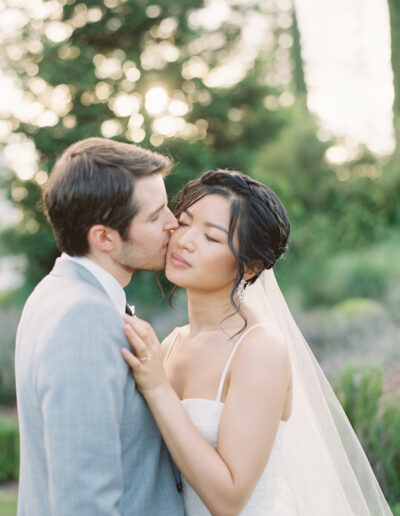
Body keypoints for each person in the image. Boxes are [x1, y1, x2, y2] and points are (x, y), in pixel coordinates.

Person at [122, 169, 393, 515]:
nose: (186, 240)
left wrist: (158, 388)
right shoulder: (171, 343)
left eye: (212, 238)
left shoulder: (259, 349)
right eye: (185, 222)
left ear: (249, 267)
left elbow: (229, 499)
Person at [15, 137, 185, 516]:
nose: (174, 224)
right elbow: (84, 502)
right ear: (105, 237)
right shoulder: (83, 318)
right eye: (156, 216)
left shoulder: (53, 291)